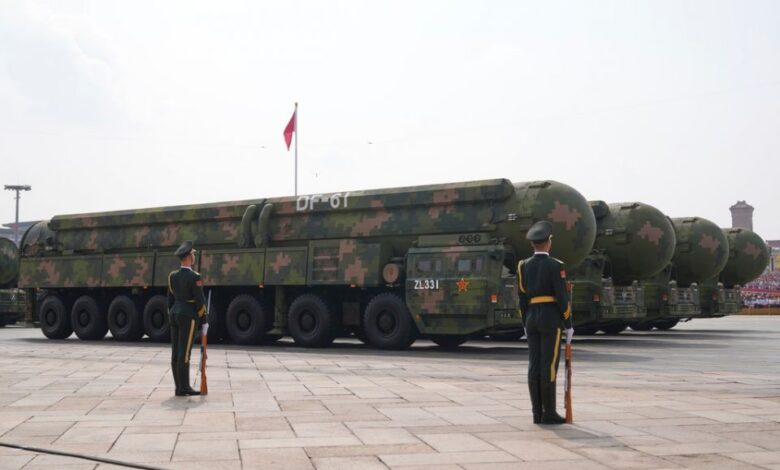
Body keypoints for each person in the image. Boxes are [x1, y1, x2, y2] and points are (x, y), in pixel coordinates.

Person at [518, 220, 572, 424]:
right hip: (550, 318)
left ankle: (536, 413)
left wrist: (525, 322)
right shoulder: (556, 265)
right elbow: (562, 297)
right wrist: (569, 323)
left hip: (531, 318)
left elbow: (522, 297)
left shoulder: (523, 265)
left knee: (534, 364)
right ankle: (549, 412)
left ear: (532, 244)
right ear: (548, 242)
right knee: (548, 365)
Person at [168, 240, 207, 396]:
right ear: (189, 257)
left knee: (175, 352)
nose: (194, 257)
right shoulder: (195, 277)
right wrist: (204, 319)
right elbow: (200, 301)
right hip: (188, 316)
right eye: (193, 254)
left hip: (174, 314)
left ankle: (178, 387)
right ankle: (184, 387)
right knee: (184, 353)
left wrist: (172, 313)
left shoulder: (172, 276)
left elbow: (170, 299)